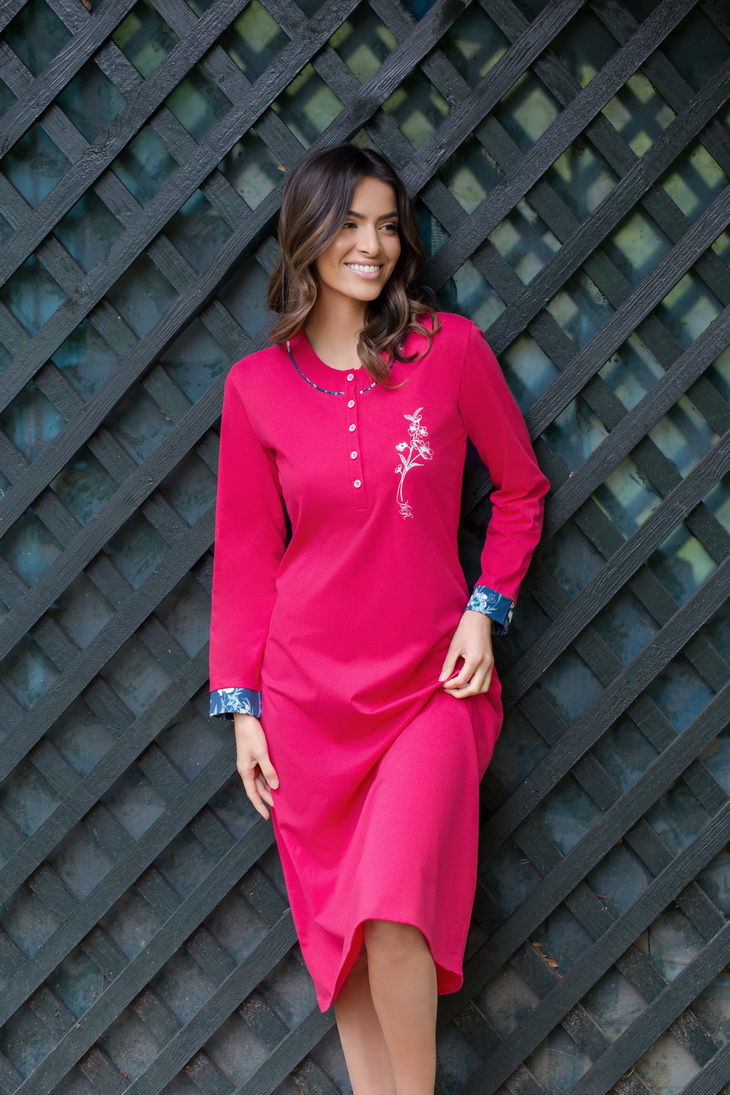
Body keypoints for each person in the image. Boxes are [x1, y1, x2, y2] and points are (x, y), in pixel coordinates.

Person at [208, 142, 550, 1095]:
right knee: (347, 945)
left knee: (396, 913)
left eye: (388, 226)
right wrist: (241, 706)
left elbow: (521, 491)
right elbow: (246, 559)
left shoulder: (451, 351)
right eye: (350, 224)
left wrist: (484, 609)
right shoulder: (255, 386)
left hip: (434, 686)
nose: (372, 245)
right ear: (307, 235)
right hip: (306, 705)